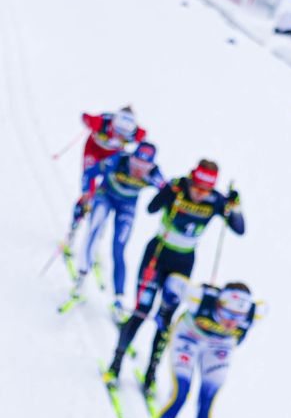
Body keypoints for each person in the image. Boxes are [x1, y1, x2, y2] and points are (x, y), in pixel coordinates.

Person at [104, 159, 245, 395]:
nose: (200, 195)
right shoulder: (179, 188)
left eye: (205, 190)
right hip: (157, 255)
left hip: (183, 263)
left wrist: (235, 206)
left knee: (165, 318)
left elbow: (239, 229)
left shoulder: (216, 201)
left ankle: (151, 373)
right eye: (197, 188)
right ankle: (115, 364)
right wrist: (167, 190)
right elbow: (151, 208)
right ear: (191, 180)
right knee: (142, 310)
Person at [137, 281, 257, 418]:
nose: (231, 322)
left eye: (238, 318)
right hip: (189, 338)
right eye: (227, 313)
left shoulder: (255, 313)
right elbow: (173, 282)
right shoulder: (200, 298)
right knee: (179, 395)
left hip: (219, 347)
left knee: (207, 402)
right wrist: (166, 311)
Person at [72, 141, 167, 322]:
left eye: (144, 166)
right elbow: (90, 172)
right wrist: (86, 194)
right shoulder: (117, 160)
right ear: (131, 157)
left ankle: (118, 297)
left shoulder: (155, 174)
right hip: (105, 196)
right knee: (94, 229)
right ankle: (81, 279)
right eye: (136, 163)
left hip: (127, 205)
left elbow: (169, 192)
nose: (139, 170)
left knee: (119, 248)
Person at [67, 106, 146, 246]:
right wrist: (89, 122)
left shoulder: (136, 133)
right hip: (93, 151)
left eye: (125, 137)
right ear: (113, 124)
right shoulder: (101, 122)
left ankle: (96, 233)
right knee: (88, 192)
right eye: (118, 132)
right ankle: (73, 230)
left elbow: (144, 141)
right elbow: (84, 116)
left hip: (112, 157)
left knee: (106, 191)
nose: (120, 137)